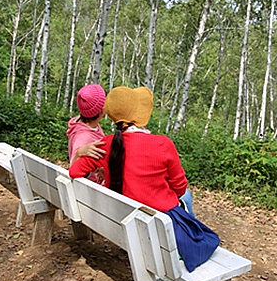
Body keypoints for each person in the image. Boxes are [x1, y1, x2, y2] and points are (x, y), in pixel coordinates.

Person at [70, 86, 194, 215]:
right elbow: (180, 188)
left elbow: (74, 171)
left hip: (118, 216)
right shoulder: (163, 144)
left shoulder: (105, 144)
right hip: (159, 220)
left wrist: (80, 153)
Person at [66, 84, 107, 183]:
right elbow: (73, 169)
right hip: (90, 191)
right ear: (101, 111)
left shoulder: (86, 124)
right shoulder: (83, 137)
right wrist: (79, 153)